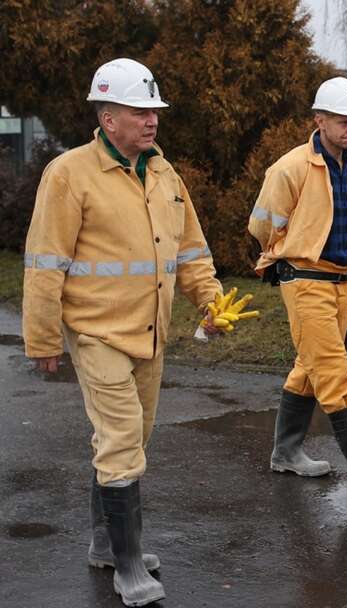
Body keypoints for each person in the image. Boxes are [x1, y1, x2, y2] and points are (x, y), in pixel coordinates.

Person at [23, 58, 226, 606]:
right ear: (107, 117)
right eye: (140, 111)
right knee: (120, 443)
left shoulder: (164, 173)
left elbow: (191, 249)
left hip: (151, 334)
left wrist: (211, 300)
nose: (152, 120)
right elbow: (45, 262)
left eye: (154, 110)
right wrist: (42, 339)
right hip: (95, 334)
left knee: (133, 440)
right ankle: (128, 566)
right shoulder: (69, 173)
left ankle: (104, 544)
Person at [249, 76, 347, 494]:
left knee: (309, 367)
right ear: (319, 120)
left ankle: (286, 453)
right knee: (332, 369)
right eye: (342, 121)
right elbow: (261, 224)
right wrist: (285, 253)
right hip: (306, 280)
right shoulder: (290, 167)